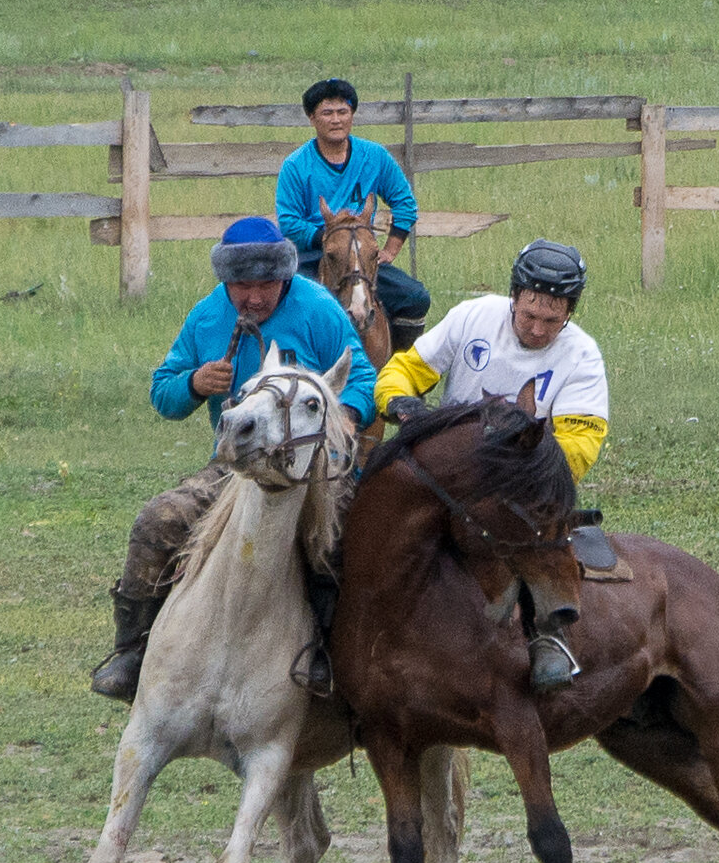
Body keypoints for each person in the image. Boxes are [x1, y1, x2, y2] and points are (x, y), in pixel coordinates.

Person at [90, 216, 377, 704]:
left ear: (285, 277)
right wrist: (194, 383)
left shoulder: (318, 308)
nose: (255, 297)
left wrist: (339, 416)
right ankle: (133, 651)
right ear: (225, 281)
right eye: (242, 285)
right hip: (235, 467)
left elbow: (362, 375)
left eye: (266, 284)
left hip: (312, 466)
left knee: (342, 539)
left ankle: (337, 655)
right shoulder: (206, 317)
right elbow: (164, 391)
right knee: (158, 520)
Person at [373, 238, 609, 689]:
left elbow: (580, 443)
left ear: (570, 313)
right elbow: (405, 368)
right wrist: (399, 400)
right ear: (514, 297)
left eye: (552, 321)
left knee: (535, 546)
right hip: (446, 477)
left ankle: (547, 635)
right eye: (530, 316)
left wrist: (520, 475)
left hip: (521, 489)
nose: (538, 330)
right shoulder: (472, 317)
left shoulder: (582, 356)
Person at [275, 77, 430, 352]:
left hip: (362, 254)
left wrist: (390, 249)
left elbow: (405, 202)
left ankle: (399, 369)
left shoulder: (374, 156)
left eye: (342, 112)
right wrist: (327, 237)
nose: (336, 120)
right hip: (315, 253)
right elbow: (288, 221)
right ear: (312, 118)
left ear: (352, 115)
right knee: (281, 300)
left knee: (415, 297)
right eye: (327, 113)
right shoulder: (296, 165)